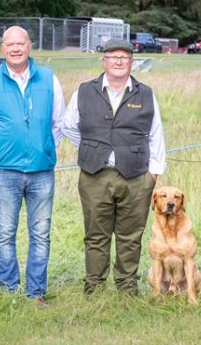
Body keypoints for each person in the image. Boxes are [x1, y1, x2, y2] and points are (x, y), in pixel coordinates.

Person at [0, 26, 65, 305]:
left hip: (42, 172)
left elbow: (59, 123)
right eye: (10, 44)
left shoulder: (49, 79)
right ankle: (8, 291)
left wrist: (43, 147)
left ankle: (36, 293)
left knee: (41, 234)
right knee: (5, 233)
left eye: (20, 43)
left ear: (30, 46)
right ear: (2, 49)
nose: (15, 48)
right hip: (4, 173)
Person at [61, 39, 166, 296]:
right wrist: (94, 149)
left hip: (136, 176)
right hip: (95, 175)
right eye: (113, 56)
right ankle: (94, 286)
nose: (118, 61)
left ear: (131, 62)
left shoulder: (146, 93)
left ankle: (127, 286)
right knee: (96, 235)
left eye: (124, 57)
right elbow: (68, 126)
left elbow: (156, 134)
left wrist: (153, 173)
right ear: (104, 61)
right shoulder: (84, 91)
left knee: (130, 236)